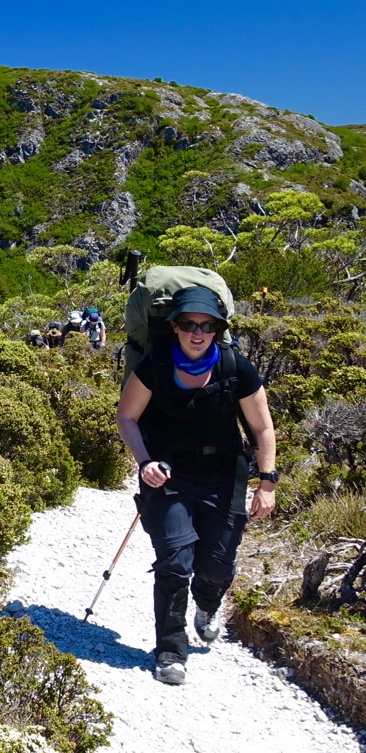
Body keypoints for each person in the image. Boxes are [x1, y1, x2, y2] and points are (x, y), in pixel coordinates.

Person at [116, 285, 278, 686]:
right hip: (169, 476)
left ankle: (207, 604)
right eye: (188, 324)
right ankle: (171, 650)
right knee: (174, 561)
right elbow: (127, 417)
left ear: (218, 329)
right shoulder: (155, 365)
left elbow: (262, 428)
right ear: (174, 327)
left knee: (216, 566)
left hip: (224, 476)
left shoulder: (235, 368)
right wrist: (144, 462)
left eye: (207, 325)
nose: (197, 332)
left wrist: (267, 482)